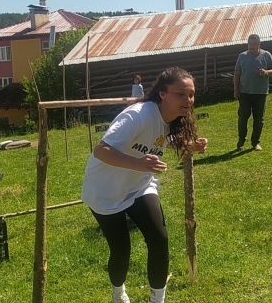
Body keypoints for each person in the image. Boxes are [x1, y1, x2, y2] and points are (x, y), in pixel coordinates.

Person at [82, 67, 207, 303]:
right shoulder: (137, 115)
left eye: (191, 95)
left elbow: (161, 138)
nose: (188, 100)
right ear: (162, 94)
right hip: (105, 191)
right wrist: (137, 164)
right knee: (121, 251)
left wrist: (189, 145)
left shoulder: (171, 118)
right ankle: (118, 293)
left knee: (159, 239)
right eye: (180, 94)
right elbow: (101, 150)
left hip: (139, 186)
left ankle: (157, 300)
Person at [233, 34, 272, 151]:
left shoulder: (266, 55)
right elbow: (237, 74)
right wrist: (236, 90)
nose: (251, 46)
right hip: (244, 93)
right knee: (243, 117)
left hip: (261, 93)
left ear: (259, 44)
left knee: (259, 119)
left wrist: (266, 72)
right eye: (249, 44)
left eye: (253, 44)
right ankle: (241, 140)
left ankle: (255, 143)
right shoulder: (242, 56)